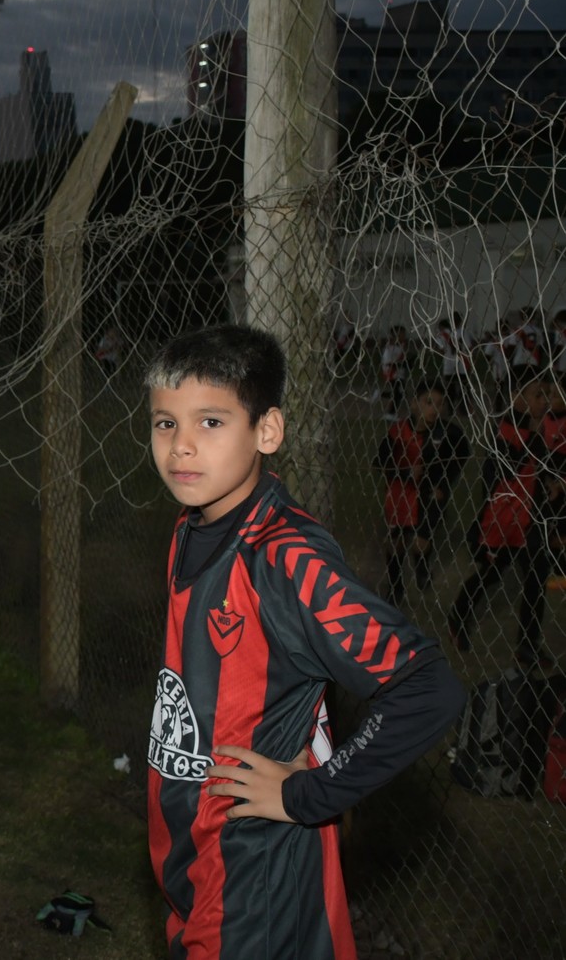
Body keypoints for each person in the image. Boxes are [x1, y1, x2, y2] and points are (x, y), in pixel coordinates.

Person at [144, 323, 464, 960]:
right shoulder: (191, 526)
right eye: (163, 423)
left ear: (267, 431)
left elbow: (428, 687)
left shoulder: (285, 558)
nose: (181, 446)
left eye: (210, 423)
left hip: (253, 877)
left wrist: (308, 793)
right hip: (194, 860)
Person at [449, 369, 553, 663]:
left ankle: (527, 642)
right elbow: (505, 472)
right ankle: (458, 615)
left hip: (527, 522)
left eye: (547, 394)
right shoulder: (505, 432)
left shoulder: (533, 430)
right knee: (490, 575)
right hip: (502, 524)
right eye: (538, 395)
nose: (545, 401)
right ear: (515, 397)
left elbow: (535, 473)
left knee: (536, 577)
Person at [375, 378, 470, 604]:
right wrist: (405, 473)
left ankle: (422, 567)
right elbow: (380, 461)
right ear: (414, 404)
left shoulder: (449, 433)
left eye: (440, 404)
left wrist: (443, 485)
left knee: (420, 542)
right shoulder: (397, 431)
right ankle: (395, 586)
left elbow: (463, 454)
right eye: (429, 402)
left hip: (429, 496)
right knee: (396, 543)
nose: (435, 409)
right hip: (401, 494)